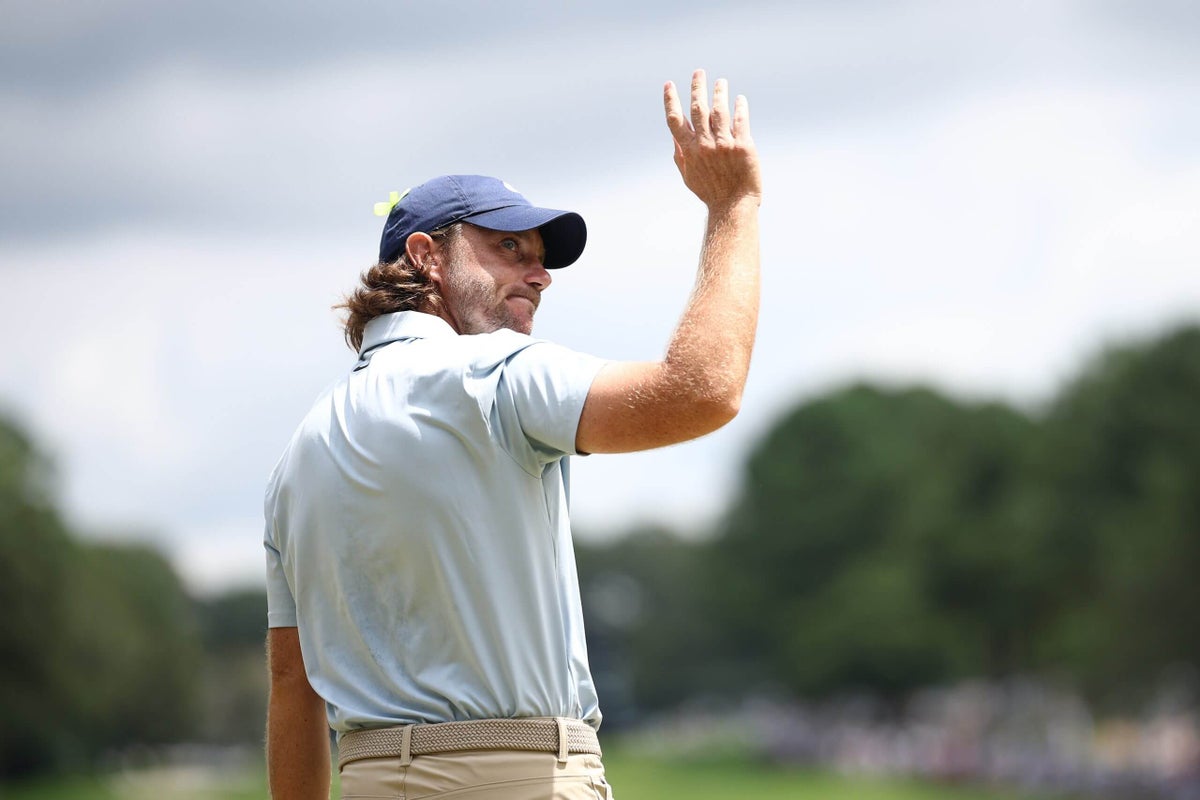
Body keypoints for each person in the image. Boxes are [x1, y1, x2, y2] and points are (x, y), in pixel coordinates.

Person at [263, 69, 761, 800]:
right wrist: (733, 205)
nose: (540, 274)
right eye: (508, 248)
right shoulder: (494, 372)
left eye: (540, 257)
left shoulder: (298, 454)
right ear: (427, 256)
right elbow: (703, 391)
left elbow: (290, 687)